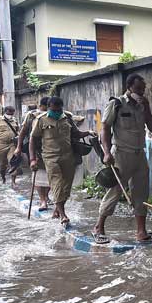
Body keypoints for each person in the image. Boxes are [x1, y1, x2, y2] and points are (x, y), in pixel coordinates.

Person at [93, 74, 152, 243]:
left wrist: (148, 108)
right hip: (121, 154)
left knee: (141, 193)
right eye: (138, 89)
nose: (141, 92)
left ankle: (141, 231)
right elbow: (105, 129)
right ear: (129, 87)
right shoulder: (116, 104)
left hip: (139, 155)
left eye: (143, 90)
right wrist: (107, 153)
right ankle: (99, 227)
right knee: (115, 191)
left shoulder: (143, 106)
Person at [29, 96, 93, 225]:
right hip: (50, 157)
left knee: (66, 187)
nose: (56, 112)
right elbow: (33, 139)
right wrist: (32, 159)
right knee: (57, 183)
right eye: (53, 110)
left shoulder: (67, 117)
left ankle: (57, 209)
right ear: (48, 108)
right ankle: (63, 214)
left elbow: (76, 133)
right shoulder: (41, 120)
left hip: (68, 157)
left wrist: (89, 132)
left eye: (58, 110)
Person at [15, 98, 51, 210]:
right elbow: (23, 132)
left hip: (52, 151)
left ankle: (46, 197)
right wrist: (18, 147)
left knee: (51, 176)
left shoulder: (56, 116)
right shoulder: (31, 116)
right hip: (36, 150)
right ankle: (43, 200)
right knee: (39, 175)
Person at [0, 106, 20, 186]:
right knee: (2, 165)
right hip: (0, 145)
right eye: (10, 112)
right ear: (5, 112)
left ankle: (13, 182)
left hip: (11, 144)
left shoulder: (15, 120)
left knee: (13, 162)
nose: (11, 114)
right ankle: (3, 179)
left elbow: (18, 131)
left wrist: (18, 140)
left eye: (13, 112)